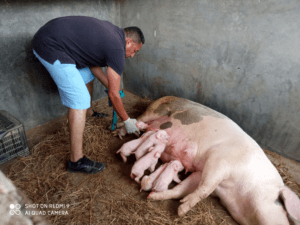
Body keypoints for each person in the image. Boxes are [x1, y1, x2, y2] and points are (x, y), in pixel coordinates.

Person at [32, 16, 145, 174]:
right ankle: (76, 161)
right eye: (134, 51)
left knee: (87, 77)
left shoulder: (112, 33)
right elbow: (113, 94)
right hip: (50, 46)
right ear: (129, 42)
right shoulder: (117, 49)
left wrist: (113, 87)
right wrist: (127, 120)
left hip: (55, 37)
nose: (132, 55)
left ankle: (89, 112)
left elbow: (92, 63)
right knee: (80, 99)